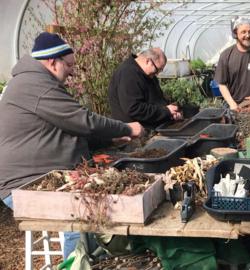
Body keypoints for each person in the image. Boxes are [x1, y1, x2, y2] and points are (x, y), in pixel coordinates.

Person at [0, 32, 144, 258]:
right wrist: (126, 128)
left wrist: (110, 139)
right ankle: (80, 261)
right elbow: (83, 120)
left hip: (41, 175)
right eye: (69, 65)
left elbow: (65, 128)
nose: (72, 70)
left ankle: (95, 256)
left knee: (95, 202)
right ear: (52, 61)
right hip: (25, 184)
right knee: (79, 213)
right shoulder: (36, 85)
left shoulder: (36, 81)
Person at [108, 48, 182, 129]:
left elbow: (157, 100)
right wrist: (165, 111)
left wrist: (171, 112)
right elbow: (134, 109)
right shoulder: (128, 74)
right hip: (135, 134)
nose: (157, 74)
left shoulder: (147, 74)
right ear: (148, 61)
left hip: (152, 128)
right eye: (157, 70)